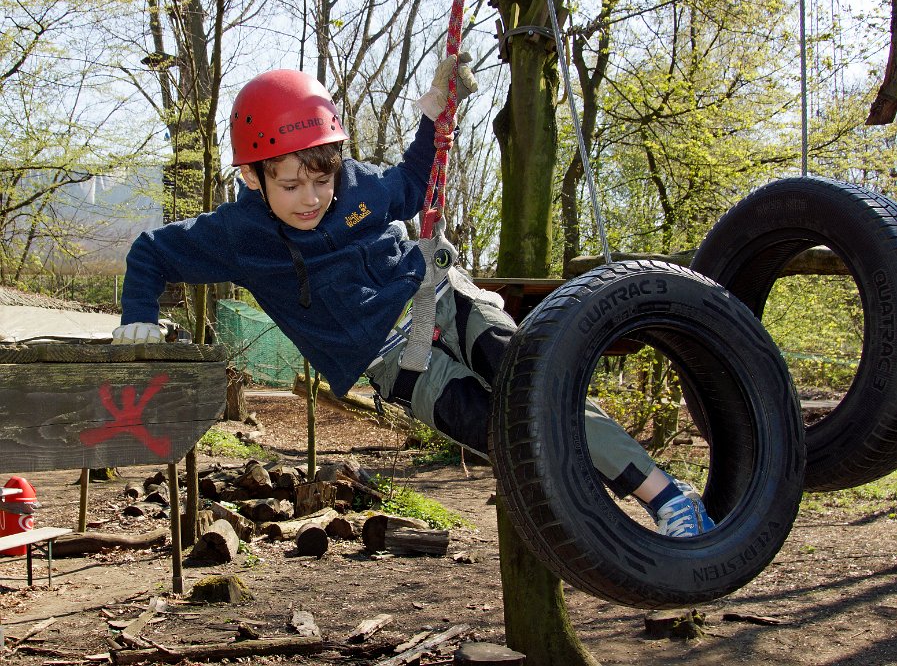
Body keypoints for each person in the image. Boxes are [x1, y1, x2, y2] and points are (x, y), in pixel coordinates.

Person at [112, 60, 714, 538]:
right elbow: (151, 251)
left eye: (321, 179)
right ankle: (611, 532)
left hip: (438, 296)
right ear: (253, 177)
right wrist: (139, 315)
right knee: (508, 434)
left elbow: (412, 181)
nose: (311, 198)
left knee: (535, 376)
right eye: (290, 185)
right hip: (397, 361)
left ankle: (668, 498)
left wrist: (433, 115)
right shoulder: (238, 236)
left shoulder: (358, 187)